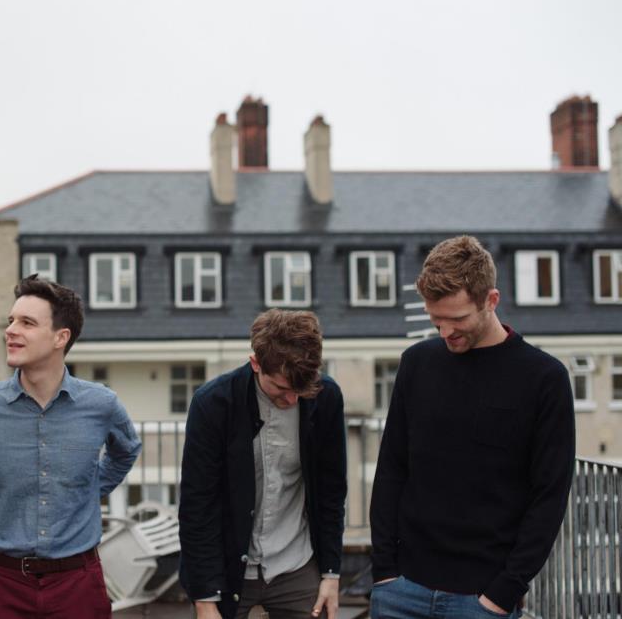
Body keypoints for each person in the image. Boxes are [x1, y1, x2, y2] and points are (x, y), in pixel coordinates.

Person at [369, 235, 575, 619]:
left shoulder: (544, 379)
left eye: (458, 319)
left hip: (482, 600)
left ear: (491, 300)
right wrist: (384, 572)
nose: (445, 332)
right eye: (436, 320)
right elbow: (392, 469)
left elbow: (549, 496)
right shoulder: (416, 364)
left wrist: (504, 592)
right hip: (400, 592)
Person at [0, 275, 141, 619]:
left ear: (61, 337)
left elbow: (127, 449)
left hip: (78, 583)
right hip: (2, 585)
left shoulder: (102, 404)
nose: (10, 330)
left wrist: (89, 488)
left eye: (27, 323)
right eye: (11, 320)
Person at [179, 309, 347, 619]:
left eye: (301, 389)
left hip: (298, 562)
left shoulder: (326, 397)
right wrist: (204, 598)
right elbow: (197, 506)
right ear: (256, 363)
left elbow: (331, 492)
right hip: (227, 568)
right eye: (282, 389)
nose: (293, 399)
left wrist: (331, 573)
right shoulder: (213, 404)